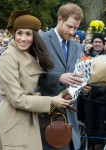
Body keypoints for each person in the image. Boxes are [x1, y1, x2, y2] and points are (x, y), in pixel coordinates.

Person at [0, 10, 75, 150]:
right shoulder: (8, 57)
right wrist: (51, 101)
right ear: (14, 34)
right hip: (13, 120)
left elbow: (40, 80)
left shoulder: (29, 56)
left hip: (29, 119)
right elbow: (17, 99)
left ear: (34, 37)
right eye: (19, 33)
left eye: (28, 34)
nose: (23, 38)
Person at [38, 3, 84, 150]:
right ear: (59, 20)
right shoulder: (41, 40)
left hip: (70, 119)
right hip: (46, 117)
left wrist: (85, 85)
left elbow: (77, 75)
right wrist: (58, 77)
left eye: (76, 28)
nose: (72, 32)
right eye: (69, 26)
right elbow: (31, 76)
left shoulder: (77, 47)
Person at [80, 33, 106, 150]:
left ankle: (98, 144)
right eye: (96, 42)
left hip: (103, 97)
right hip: (88, 97)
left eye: (100, 42)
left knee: (100, 122)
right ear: (92, 44)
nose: (97, 44)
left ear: (103, 44)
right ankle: (89, 143)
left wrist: (97, 88)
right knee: (89, 121)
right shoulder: (85, 57)